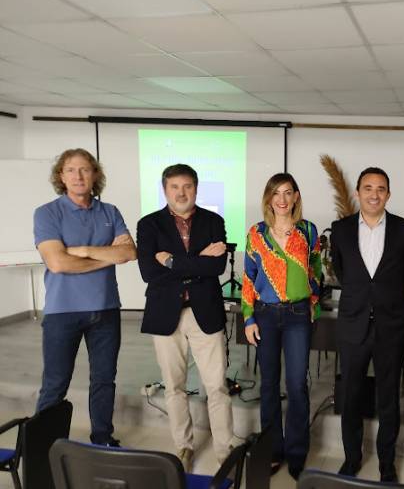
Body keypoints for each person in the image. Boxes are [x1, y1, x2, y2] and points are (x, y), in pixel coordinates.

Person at [34, 148, 136, 446]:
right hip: (62, 312)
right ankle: (44, 446)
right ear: (61, 176)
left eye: (84, 169)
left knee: (104, 380)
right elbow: (57, 263)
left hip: (106, 309)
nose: (78, 176)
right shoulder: (47, 213)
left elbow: (129, 252)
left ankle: (102, 439)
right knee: (55, 383)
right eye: (70, 170)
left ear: (95, 175)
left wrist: (84, 251)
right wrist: (107, 256)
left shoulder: (110, 212)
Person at [136, 164, 234, 473]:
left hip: (205, 311)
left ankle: (225, 451)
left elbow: (216, 268)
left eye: (187, 186)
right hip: (166, 314)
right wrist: (198, 260)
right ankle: (184, 447)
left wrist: (171, 261)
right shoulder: (148, 224)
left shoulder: (214, 221)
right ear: (165, 190)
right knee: (174, 387)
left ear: (196, 188)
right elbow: (148, 272)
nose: (181, 193)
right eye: (175, 187)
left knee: (217, 387)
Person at [330, 167, 404, 482]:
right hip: (353, 324)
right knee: (350, 395)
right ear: (358, 193)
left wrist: (384, 298)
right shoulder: (340, 230)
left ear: (388, 194)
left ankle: (386, 462)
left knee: (388, 396)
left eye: (381, 189)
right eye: (368, 188)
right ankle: (352, 458)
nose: (374, 194)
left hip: (389, 325)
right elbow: (342, 271)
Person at [241, 173, 321, 480]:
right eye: (276, 193)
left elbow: (315, 269)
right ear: (269, 198)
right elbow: (248, 277)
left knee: (297, 384)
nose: (282, 199)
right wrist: (248, 317)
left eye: (288, 192)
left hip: (298, 315)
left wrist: (312, 302)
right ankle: (273, 450)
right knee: (269, 384)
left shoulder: (308, 231)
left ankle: (297, 452)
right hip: (265, 315)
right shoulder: (257, 233)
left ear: (296, 196)